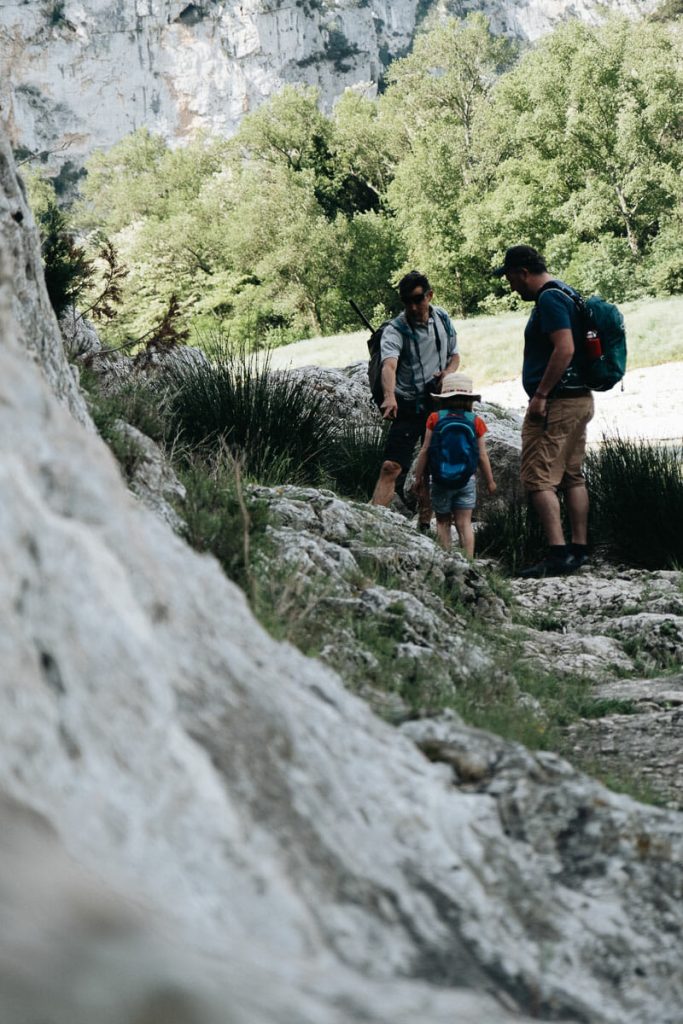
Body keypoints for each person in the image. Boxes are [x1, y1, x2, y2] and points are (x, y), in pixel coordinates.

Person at [492, 244, 594, 577]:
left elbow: (564, 349)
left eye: (509, 277)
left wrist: (540, 395)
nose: (509, 285)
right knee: (572, 475)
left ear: (522, 272)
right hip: (580, 398)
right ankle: (579, 550)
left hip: (557, 403)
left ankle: (557, 554)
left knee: (538, 478)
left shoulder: (549, 299)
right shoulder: (568, 292)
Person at [370, 271, 460, 530]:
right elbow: (389, 365)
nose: (412, 306)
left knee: (431, 466)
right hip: (408, 405)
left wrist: (447, 374)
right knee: (391, 466)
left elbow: (455, 356)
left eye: (418, 299)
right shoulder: (395, 329)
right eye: (406, 301)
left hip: (439, 403)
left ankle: (424, 523)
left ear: (429, 295)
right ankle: (374, 523)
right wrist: (389, 397)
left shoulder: (442, 318)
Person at [413, 373, 496, 554]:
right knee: (464, 522)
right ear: (469, 399)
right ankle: (468, 562)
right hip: (466, 479)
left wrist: (418, 477)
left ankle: (447, 559)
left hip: (440, 479)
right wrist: (490, 481)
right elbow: (482, 455)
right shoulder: (476, 421)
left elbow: (425, 450)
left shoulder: (435, 418)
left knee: (443, 521)